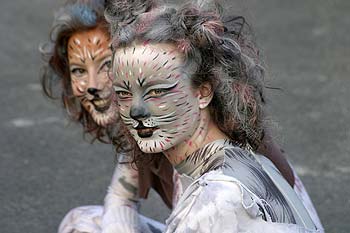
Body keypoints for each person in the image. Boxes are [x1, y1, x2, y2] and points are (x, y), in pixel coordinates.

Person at [104, 0, 324, 232]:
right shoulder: (235, 157)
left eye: (157, 91)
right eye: (124, 94)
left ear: (203, 92)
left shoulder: (217, 200)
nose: (136, 110)